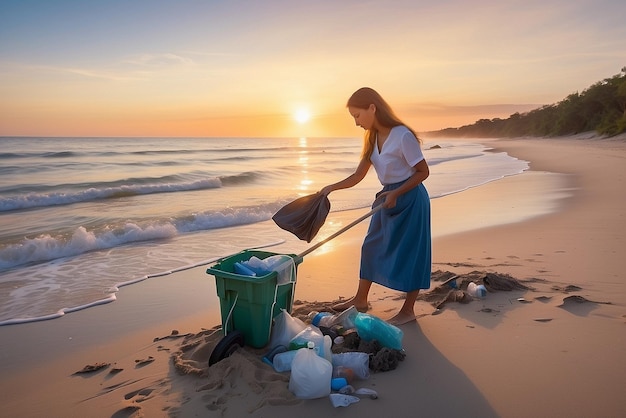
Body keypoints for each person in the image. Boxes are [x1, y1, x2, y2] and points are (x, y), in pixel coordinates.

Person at [320, 87, 431, 325]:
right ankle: (360, 300)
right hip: (386, 199)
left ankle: (408, 310)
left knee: (412, 253)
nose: (356, 123)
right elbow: (358, 175)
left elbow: (423, 172)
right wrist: (331, 188)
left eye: (357, 116)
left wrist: (397, 192)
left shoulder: (403, 136)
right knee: (371, 245)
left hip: (410, 199)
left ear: (372, 107)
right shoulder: (371, 138)